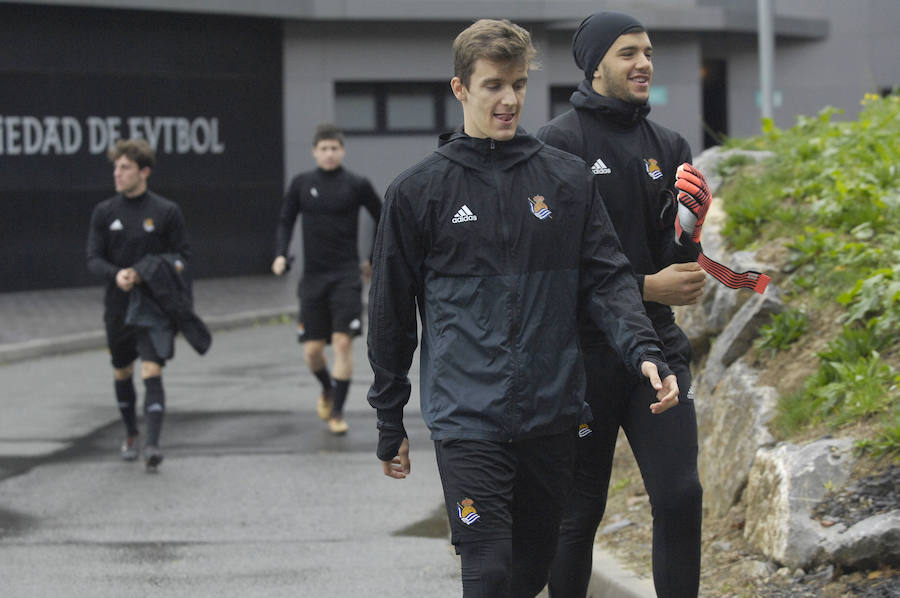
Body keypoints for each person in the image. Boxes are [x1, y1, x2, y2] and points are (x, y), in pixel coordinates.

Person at [367, 19, 681, 598]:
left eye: (517, 85)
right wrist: (391, 419)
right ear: (460, 88)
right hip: (467, 419)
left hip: (552, 414)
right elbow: (390, 314)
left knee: (529, 573)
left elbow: (608, 279)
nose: (508, 100)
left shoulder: (564, 180)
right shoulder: (416, 193)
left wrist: (643, 350)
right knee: (486, 572)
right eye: (492, 86)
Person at [536, 11, 706, 598]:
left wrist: (692, 229)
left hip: (657, 349)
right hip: (583, 359)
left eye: (648, 52)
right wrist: (648, 287)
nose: (644, 64)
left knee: (681, 494)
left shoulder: (670, 145)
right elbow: (553, 270)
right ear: (595, 64)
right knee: (577, 515)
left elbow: (678, 262)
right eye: (628, 53)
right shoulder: (560, 143)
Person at [86, 138, 192, 472]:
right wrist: (117, 275)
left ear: (143, 171)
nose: (117, 173)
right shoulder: (104, 212)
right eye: (115, 167)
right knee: (122, 370)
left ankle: (153, 444)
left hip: (153, 308)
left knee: (151, 369)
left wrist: (149, 272)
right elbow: (93, 258)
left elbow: (182, 258)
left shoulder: (166, 211)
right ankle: (132, 433)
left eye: (125, 167)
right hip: (118, 306)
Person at [272, 124, 382, 435]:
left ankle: (337, 412)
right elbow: (285, 220)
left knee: (343, 343)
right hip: (313, 278)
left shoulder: (356, 184)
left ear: (342, 151)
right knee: (312, 351)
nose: (329, 154)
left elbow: (382, 215)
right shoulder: (302, 184)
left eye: (335, 148)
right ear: (314, 151)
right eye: (324, 149)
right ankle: (327, 388)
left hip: (346, 275)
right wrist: (280, 254)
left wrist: (373, 259)